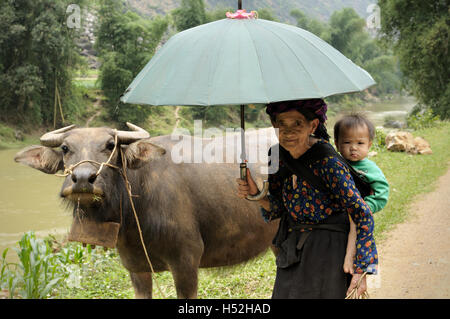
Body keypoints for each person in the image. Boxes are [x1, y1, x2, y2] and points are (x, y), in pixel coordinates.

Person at [236, 99, 378, 299]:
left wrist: (360, 269)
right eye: (281, 124)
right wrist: (256, 195)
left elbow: (361, 213)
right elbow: (279, 207)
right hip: (293, 247)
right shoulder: (276, 155)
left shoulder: (327, 162)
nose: (288, 132)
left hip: (329, 249)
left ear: (313, 125)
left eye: (297, 124)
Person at [333, 113, 389, 275]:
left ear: (369, 144)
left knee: (364, 241)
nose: (353, 148)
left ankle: (366, 271)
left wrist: (365, 206)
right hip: (340, 218)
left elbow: (382, 192)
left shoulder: (370, 169)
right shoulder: (335, 164)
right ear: (337, 144)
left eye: (360, 143)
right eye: (347, 142)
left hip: (360, 215)